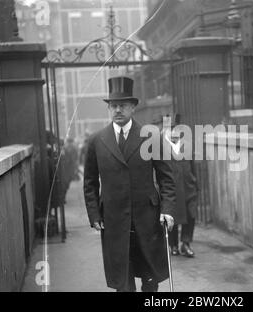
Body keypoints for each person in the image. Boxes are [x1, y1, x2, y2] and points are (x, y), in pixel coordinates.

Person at [83, 76, 176, 292]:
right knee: (122, 282)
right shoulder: (97, 141)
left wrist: (168, 210)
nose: (117, 110)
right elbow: (89, 183)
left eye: (123, 105)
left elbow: (167, 178)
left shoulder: (150, 136)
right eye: (113, 105)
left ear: (133, 107)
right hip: (114, 220)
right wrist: (94, 215)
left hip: (147, 219)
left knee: (149, 277)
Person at [163, 127, 198, 258]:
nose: (174, 134)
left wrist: (195, 184)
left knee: (191, 215)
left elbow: (193, 167)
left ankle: (186, 243)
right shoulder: (163, 150)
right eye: (171, 131)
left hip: (189, 188)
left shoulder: (187, 147)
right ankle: (173, 245)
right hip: (173, 190)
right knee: (173, 218)